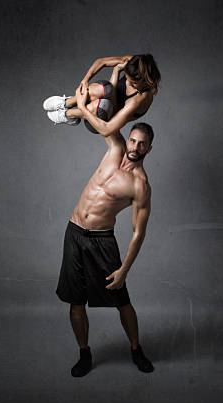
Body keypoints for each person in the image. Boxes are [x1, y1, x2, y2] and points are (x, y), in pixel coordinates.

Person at [56, 86, 155, 377]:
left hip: (101, 240)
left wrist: (125, 269)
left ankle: (136, 350)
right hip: (74, 231)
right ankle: (84, 354)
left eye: (142, 144)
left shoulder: (140, 186)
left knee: (122, 301)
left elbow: (138, 232)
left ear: (149, 148)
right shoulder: (115, 147)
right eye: (134, 140)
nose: (135, 147)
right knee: (76, 301)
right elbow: (105, 115)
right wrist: (83, 100)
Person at [43, 54, 161, 136]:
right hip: (107, 98)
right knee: (105, 88)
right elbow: (101, 61)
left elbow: (107, 129)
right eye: (126, 77)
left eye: (134, 83)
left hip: (102, 119)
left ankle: (68, 115)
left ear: (146, 80)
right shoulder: (134, 63)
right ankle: (66, 103)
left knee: (103, 104)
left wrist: (82, 106)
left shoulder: (138, 100)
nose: (127, 82)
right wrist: (84, 81)